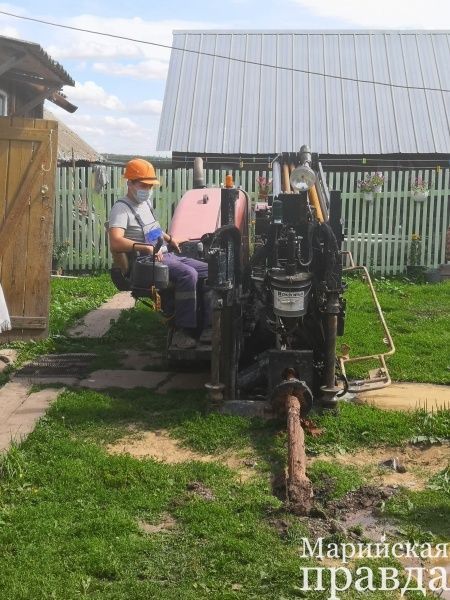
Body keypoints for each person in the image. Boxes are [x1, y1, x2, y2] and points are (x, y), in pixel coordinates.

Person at [108, 158, 209, 349]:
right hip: (145, 261)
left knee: (210, 271)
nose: (147, 189)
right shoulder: (121, 209)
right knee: (189, 275)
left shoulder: (145, 204)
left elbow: (152, 230)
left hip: (163, 254)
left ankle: (205, 322)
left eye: (150, 185)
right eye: (143, 185)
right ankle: (183, 331)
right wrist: (144, 247)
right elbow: (115, 241)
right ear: (130, 183)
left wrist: (170, 239)